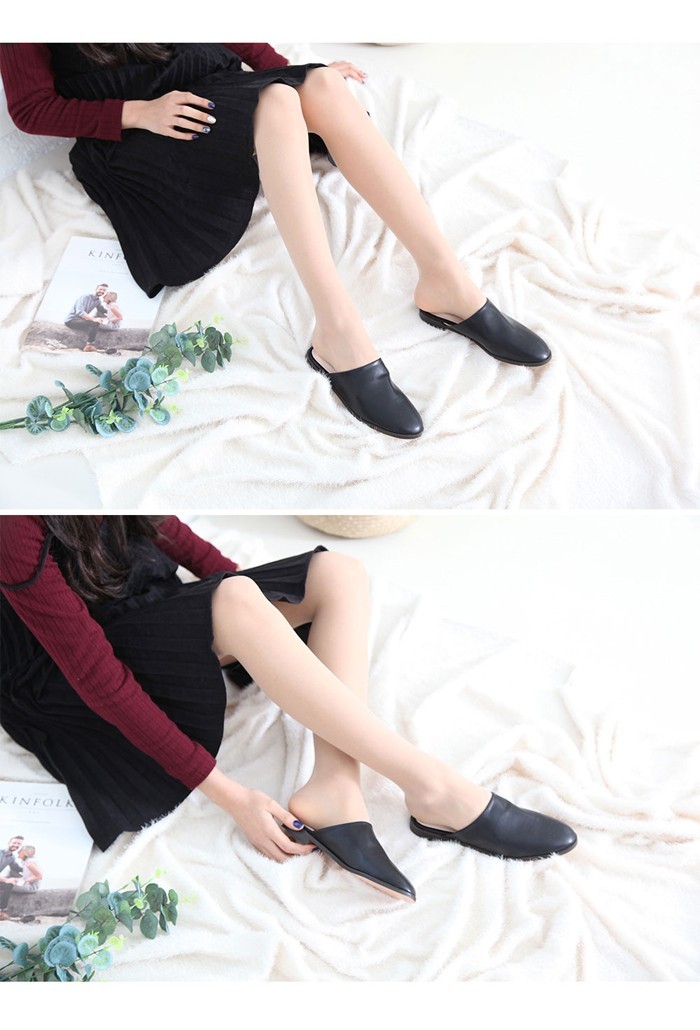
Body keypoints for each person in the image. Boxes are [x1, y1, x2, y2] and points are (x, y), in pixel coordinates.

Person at [0, 516, 576, 903]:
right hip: (64, 678)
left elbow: (168, 533)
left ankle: (334, 788)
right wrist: (230, 795)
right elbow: (94, 676)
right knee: (235, 599)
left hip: (134, 607)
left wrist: (261, 613)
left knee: (336, 573)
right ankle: (432, 786)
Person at [0, 44, 552, 440]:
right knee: (282, 102)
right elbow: (30, 109)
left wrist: (290, 71)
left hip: (206, 86)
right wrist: (139, 112)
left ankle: (447, 282)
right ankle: (338, 330)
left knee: (320, 86)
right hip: (144, 130)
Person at [63, 282, 109, 350]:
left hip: (80, 320)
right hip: (71, 320)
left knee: (96, 324)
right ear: (96, 289)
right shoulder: (85, 297)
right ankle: (89, 345)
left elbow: (102, 310)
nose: (102, 291)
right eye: (100, 289)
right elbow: (80, 312)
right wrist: (94, 319)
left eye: (104, 290)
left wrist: (113, 309)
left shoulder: (98, 300)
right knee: (95, 323)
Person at [0, 845, 42, 913]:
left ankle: (2, 908)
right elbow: (26, 876)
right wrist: (15, 879)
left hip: (31, 887)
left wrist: (25, 881)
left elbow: (39, 876)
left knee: (7, 886)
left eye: (20, 851)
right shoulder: (27, 862)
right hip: (27, 884)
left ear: (24, 852)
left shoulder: (30, 864)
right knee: (8, 879)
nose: (18, 852)